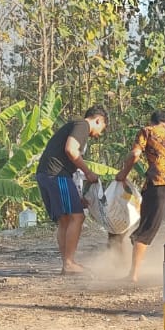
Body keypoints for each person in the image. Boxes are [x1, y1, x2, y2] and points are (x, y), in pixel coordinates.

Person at [117, 110, 165, 284]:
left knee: (148, 227)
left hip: (161, 181)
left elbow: (135, 154)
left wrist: (123, 174)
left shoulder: (148, 131)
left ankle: (134, 275)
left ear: (154, 122)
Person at [36, 106, 106, 273]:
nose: (100, 133)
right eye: (103, 128)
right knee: (77, 217)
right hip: (57, 174)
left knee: (65, 220)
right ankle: (69, 263)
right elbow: (71, 150)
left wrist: (77, 195)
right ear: (98, 120)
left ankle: (67, 264)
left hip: (47, 174)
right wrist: (88, 172)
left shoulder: (74, 125)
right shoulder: (82, 125)